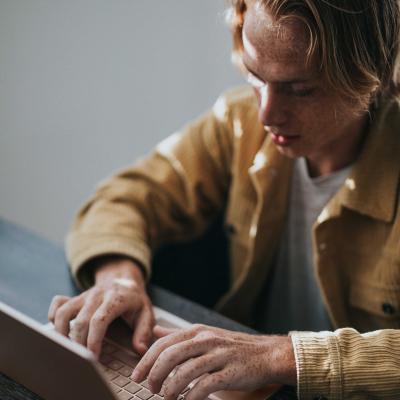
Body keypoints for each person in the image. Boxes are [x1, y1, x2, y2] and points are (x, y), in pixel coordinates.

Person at [48, 0, 400, 398]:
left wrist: (281, 356)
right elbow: (124, 196)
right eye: (255, 74)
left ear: (369, 72)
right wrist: (118, 279)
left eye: (301, 90)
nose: (267, 113)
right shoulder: (237, 124)